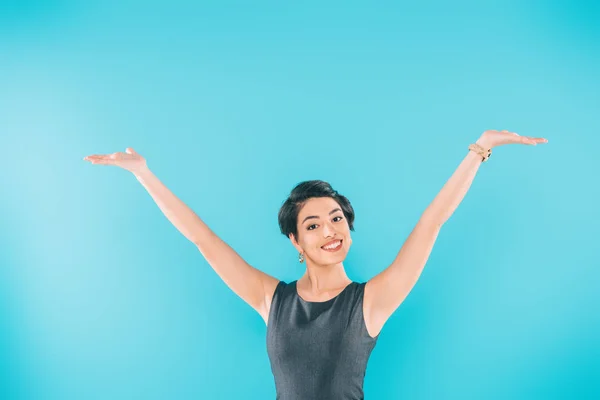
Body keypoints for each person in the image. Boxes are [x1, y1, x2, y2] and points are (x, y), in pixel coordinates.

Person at [83, 130, 548, 399]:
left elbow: (432, 222)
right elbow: (201, 237)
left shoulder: (371, 301)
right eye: (314, 225)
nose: (330, 230)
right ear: (295, 241)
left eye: (337, 218)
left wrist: (478, 149)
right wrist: (144, 174)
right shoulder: (272, 300)